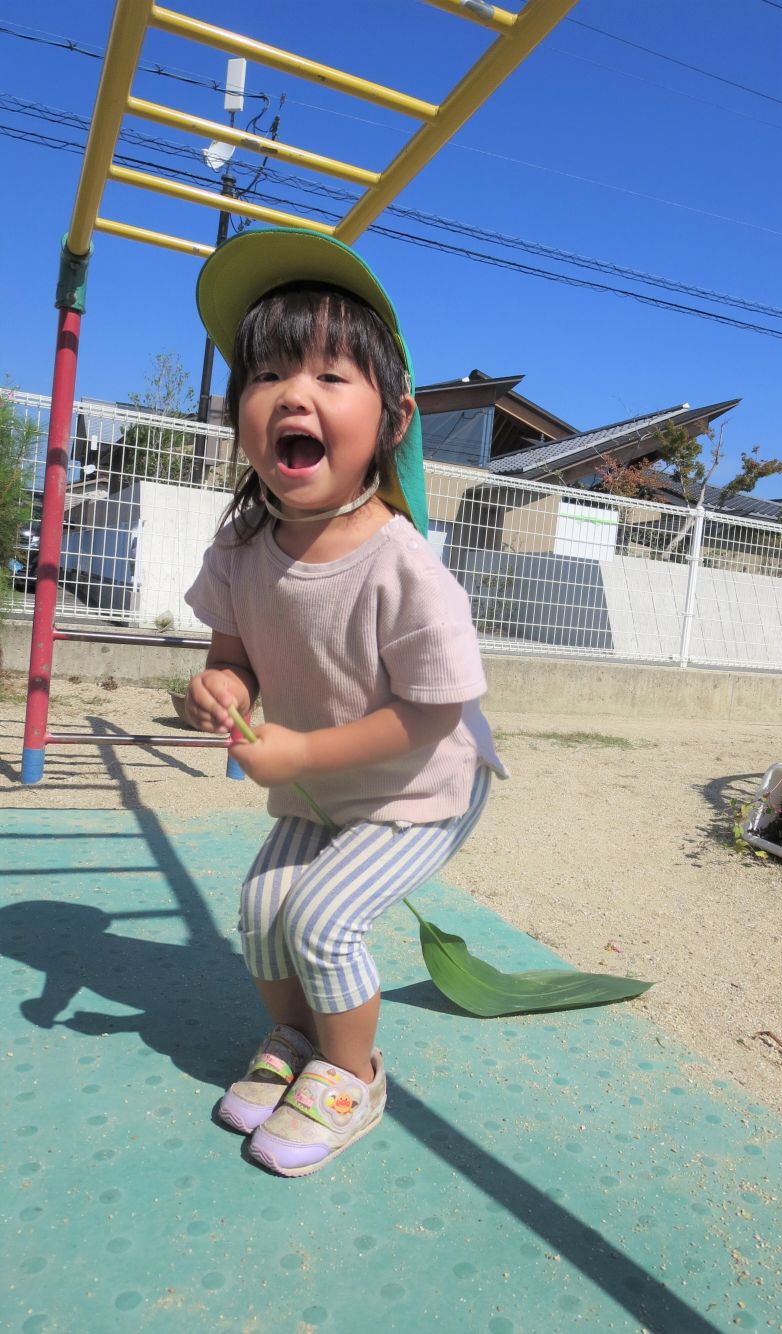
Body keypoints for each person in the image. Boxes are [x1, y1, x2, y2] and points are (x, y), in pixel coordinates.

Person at [183, 226, 505, 1177]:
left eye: (331, 377)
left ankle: (350, 1075)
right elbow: (231, 652)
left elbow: (433, 714)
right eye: (269, 374)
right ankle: (294, 1041)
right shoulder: (241, 550)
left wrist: (296, 755)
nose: (295, 394)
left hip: (419, 787)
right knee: (264, 906)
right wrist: (221, 689)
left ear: (394, 416)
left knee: (324, 921)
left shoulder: (402, 563)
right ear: (242, 410)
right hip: (319, 787)